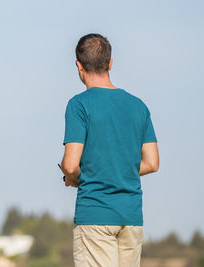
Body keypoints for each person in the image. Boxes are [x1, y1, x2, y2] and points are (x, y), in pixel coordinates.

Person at [60, 33, 159, 267]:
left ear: (78, 66)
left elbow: (71, 165)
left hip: (95, 214)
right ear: (110, 63)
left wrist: (74, 178)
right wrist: (118, 172)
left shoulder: (79, 105)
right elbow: (152, 162)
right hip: (131, 218)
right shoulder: (138, 106)